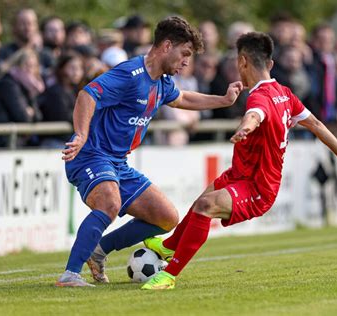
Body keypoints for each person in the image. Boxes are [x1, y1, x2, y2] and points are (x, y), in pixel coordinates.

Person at [141, 32, 337, 290]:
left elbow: (255, 115)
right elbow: (316, 124)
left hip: (258, 187)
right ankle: (170, 246)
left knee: (206, 206)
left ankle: (170, 275)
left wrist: (245, 127)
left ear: (241, 62)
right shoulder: (285, 94)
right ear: (270, 64)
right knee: (201, 200)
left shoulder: (258, 96)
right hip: (239, 175)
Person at [55, 16, 243, 287]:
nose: (186, 62)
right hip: (91, 154)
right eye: (185, 54)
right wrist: (82, 134)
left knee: (167, 217)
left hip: (118, 162)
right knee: (109, 203)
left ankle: (98, 251)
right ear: (167, 46)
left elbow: (183, 98)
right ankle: (70, 275)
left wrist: (224, 101)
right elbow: (88, 94)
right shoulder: (130, 74)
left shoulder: (163, 82)